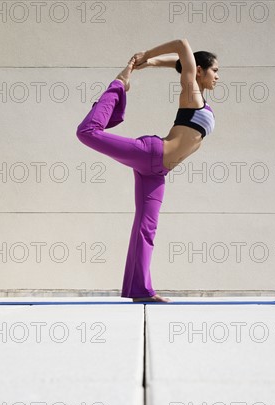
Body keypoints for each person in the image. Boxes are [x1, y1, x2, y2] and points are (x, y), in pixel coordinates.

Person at [76, 39, 219, 303]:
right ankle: (118, 86)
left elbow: (178, 61)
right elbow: (182, 45)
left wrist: (150, 63)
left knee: (146, 228)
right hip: (151, 152)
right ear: (199, 70)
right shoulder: (192, 92)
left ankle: (140, 290)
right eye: (214, 71)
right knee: (87, 133)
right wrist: (148, 54)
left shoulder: (200, 97)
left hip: (156, 172)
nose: (218, 77)